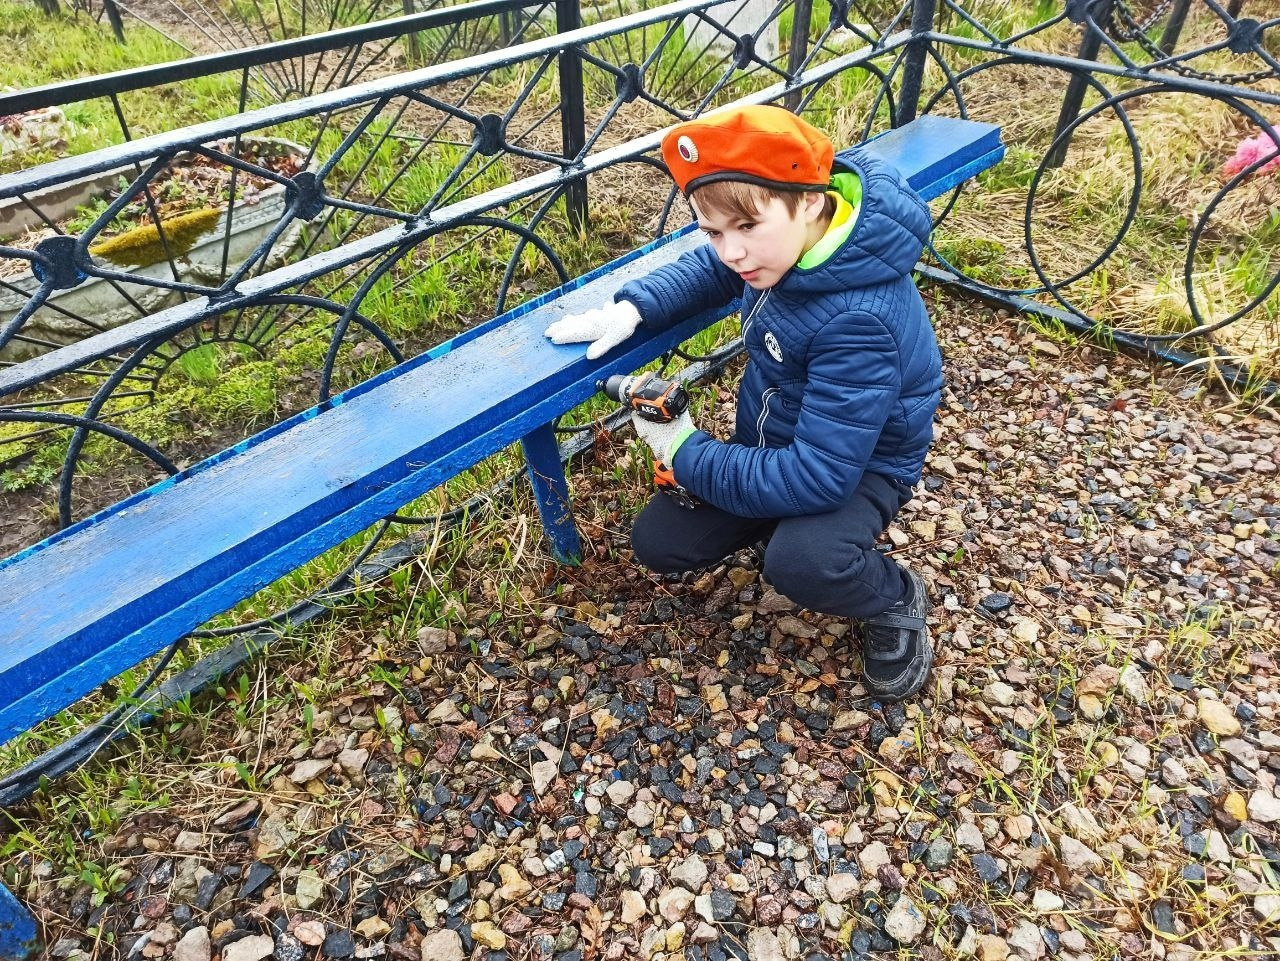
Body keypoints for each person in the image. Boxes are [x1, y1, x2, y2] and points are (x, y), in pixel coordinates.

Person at [544, 105, 940, 701]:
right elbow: (711, 268)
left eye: (746, 229)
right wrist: (633, 308)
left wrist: (683, 449)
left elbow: (821, 477)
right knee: (662, 542)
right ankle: (774, 511)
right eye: (713, 230)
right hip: (776, 440)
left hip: (859, 467)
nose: (732, 252)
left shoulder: (858, 320)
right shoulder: (784, 246)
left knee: (803, 563)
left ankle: (894, 595)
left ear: (809, 200)